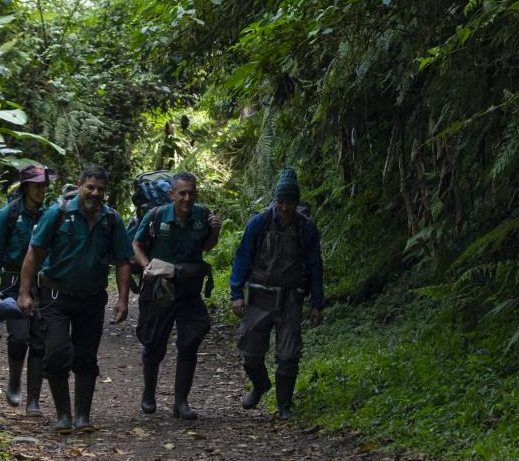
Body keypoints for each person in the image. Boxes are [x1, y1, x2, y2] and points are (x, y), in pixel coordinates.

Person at [17, 165, 133, 433]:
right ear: (79, 185)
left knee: (86, 356)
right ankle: (63, 416)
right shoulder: (57, 214)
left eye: (100, 189)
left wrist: (123, 300)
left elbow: (122, 261)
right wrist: (24, 293)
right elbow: (34, 254)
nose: (95, 193)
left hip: (92, 299)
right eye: (90, 187)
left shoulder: (111, 219)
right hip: (55, 297)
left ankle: (83, 417)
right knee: (56, 352)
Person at [229, 168, 323, 419]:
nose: (285, 208)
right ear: (275, 201)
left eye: (290, 203)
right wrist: (236, 293)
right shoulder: (259, 223)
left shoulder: (306, 228)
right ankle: (260, 385)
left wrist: (317, 302)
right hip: (259, 295)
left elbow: (315, 265)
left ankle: (284, 406)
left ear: (296, 202)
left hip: (291, 298)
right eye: (281, 202)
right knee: (249, 352)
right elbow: (243, 257)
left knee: (288, 355)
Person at [132, 171, 222, 420]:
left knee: (190, 341)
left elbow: (206, 246)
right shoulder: (156, 215)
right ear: (172, 194)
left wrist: (215, 231)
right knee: (153, 342)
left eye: (191, 192)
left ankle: (181, 402)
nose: (187, 197)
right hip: (160, 288)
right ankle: (149, 394)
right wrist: (147, 266)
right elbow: (137, 245)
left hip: (189, 288)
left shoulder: (202, 215)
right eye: (182, 193)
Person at [0, 163, 54, 414]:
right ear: (26, 187)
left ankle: (33, 400)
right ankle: (14, 381)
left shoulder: (49, 214)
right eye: (37, 185)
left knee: (39, 339)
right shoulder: (7, 215)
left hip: (41, 285)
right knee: (19, 335)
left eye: (44, 185)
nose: (42, 189)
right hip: (12, 283)